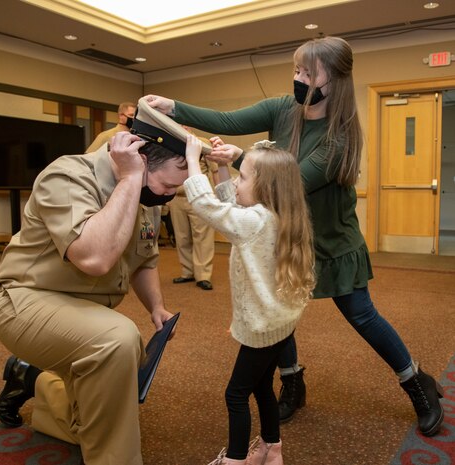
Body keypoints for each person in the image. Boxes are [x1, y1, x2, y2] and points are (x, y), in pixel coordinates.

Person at [142, 35, 445, 437]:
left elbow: (290, 182)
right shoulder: (286, 109)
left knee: (362, 315)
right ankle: (293, 381)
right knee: (277, 311)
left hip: (332, 243)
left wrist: (239, 157)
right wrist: (174, 107)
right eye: (296, 70)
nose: (298, 78)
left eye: (307, 72)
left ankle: (415, 382)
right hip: (286, 237)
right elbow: (228, 121)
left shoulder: (341, 137)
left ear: (333, 80)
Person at [0, 100, 195, 465]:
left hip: (85, 313)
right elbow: (94, 258)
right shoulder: (69, 175)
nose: (168, 196)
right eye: (167, 186)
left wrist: (157, 307)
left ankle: (33, 380)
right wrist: (131, 181)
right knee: (118, 340)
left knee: (89, 418)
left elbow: (144, 259)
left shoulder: (147, 192)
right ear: (139, 160)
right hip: (25, 301)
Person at [184, 134, 315, 464]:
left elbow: (210, 209)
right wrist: (223, 169)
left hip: (261, 327)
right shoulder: (274, 213)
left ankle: (236, 460)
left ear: (265, 187)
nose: (238, 182)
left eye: (244, 176)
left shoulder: (254, 222)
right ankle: (272, 449)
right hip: (279, 323)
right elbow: (233, 204)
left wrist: (192, 161)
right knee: (261, 387)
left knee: (236, 394)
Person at [171, 127, 219, 291]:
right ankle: (187, 272)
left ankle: (203, 276)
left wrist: (218, 193)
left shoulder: (202, 143)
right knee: (182, 237)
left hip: (198, 197)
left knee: (203, 238)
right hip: (177, 198)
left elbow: (215, 170)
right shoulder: (172, 142)